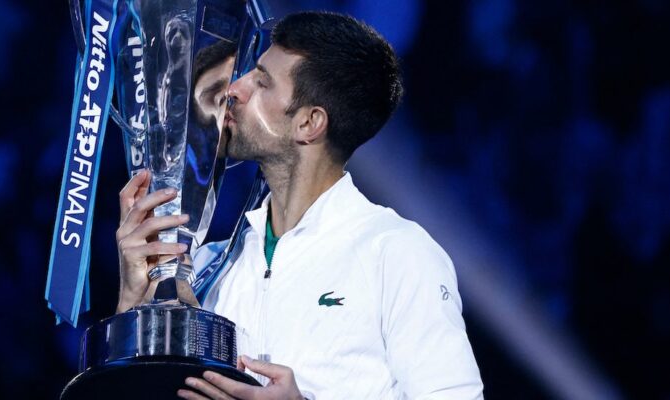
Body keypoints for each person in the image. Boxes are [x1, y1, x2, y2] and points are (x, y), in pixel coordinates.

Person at [114, 11, 484, 400]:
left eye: (261, 82)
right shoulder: (208, 267)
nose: (234, 89)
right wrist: (132, 306)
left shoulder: (397, 253)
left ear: (309, 123)